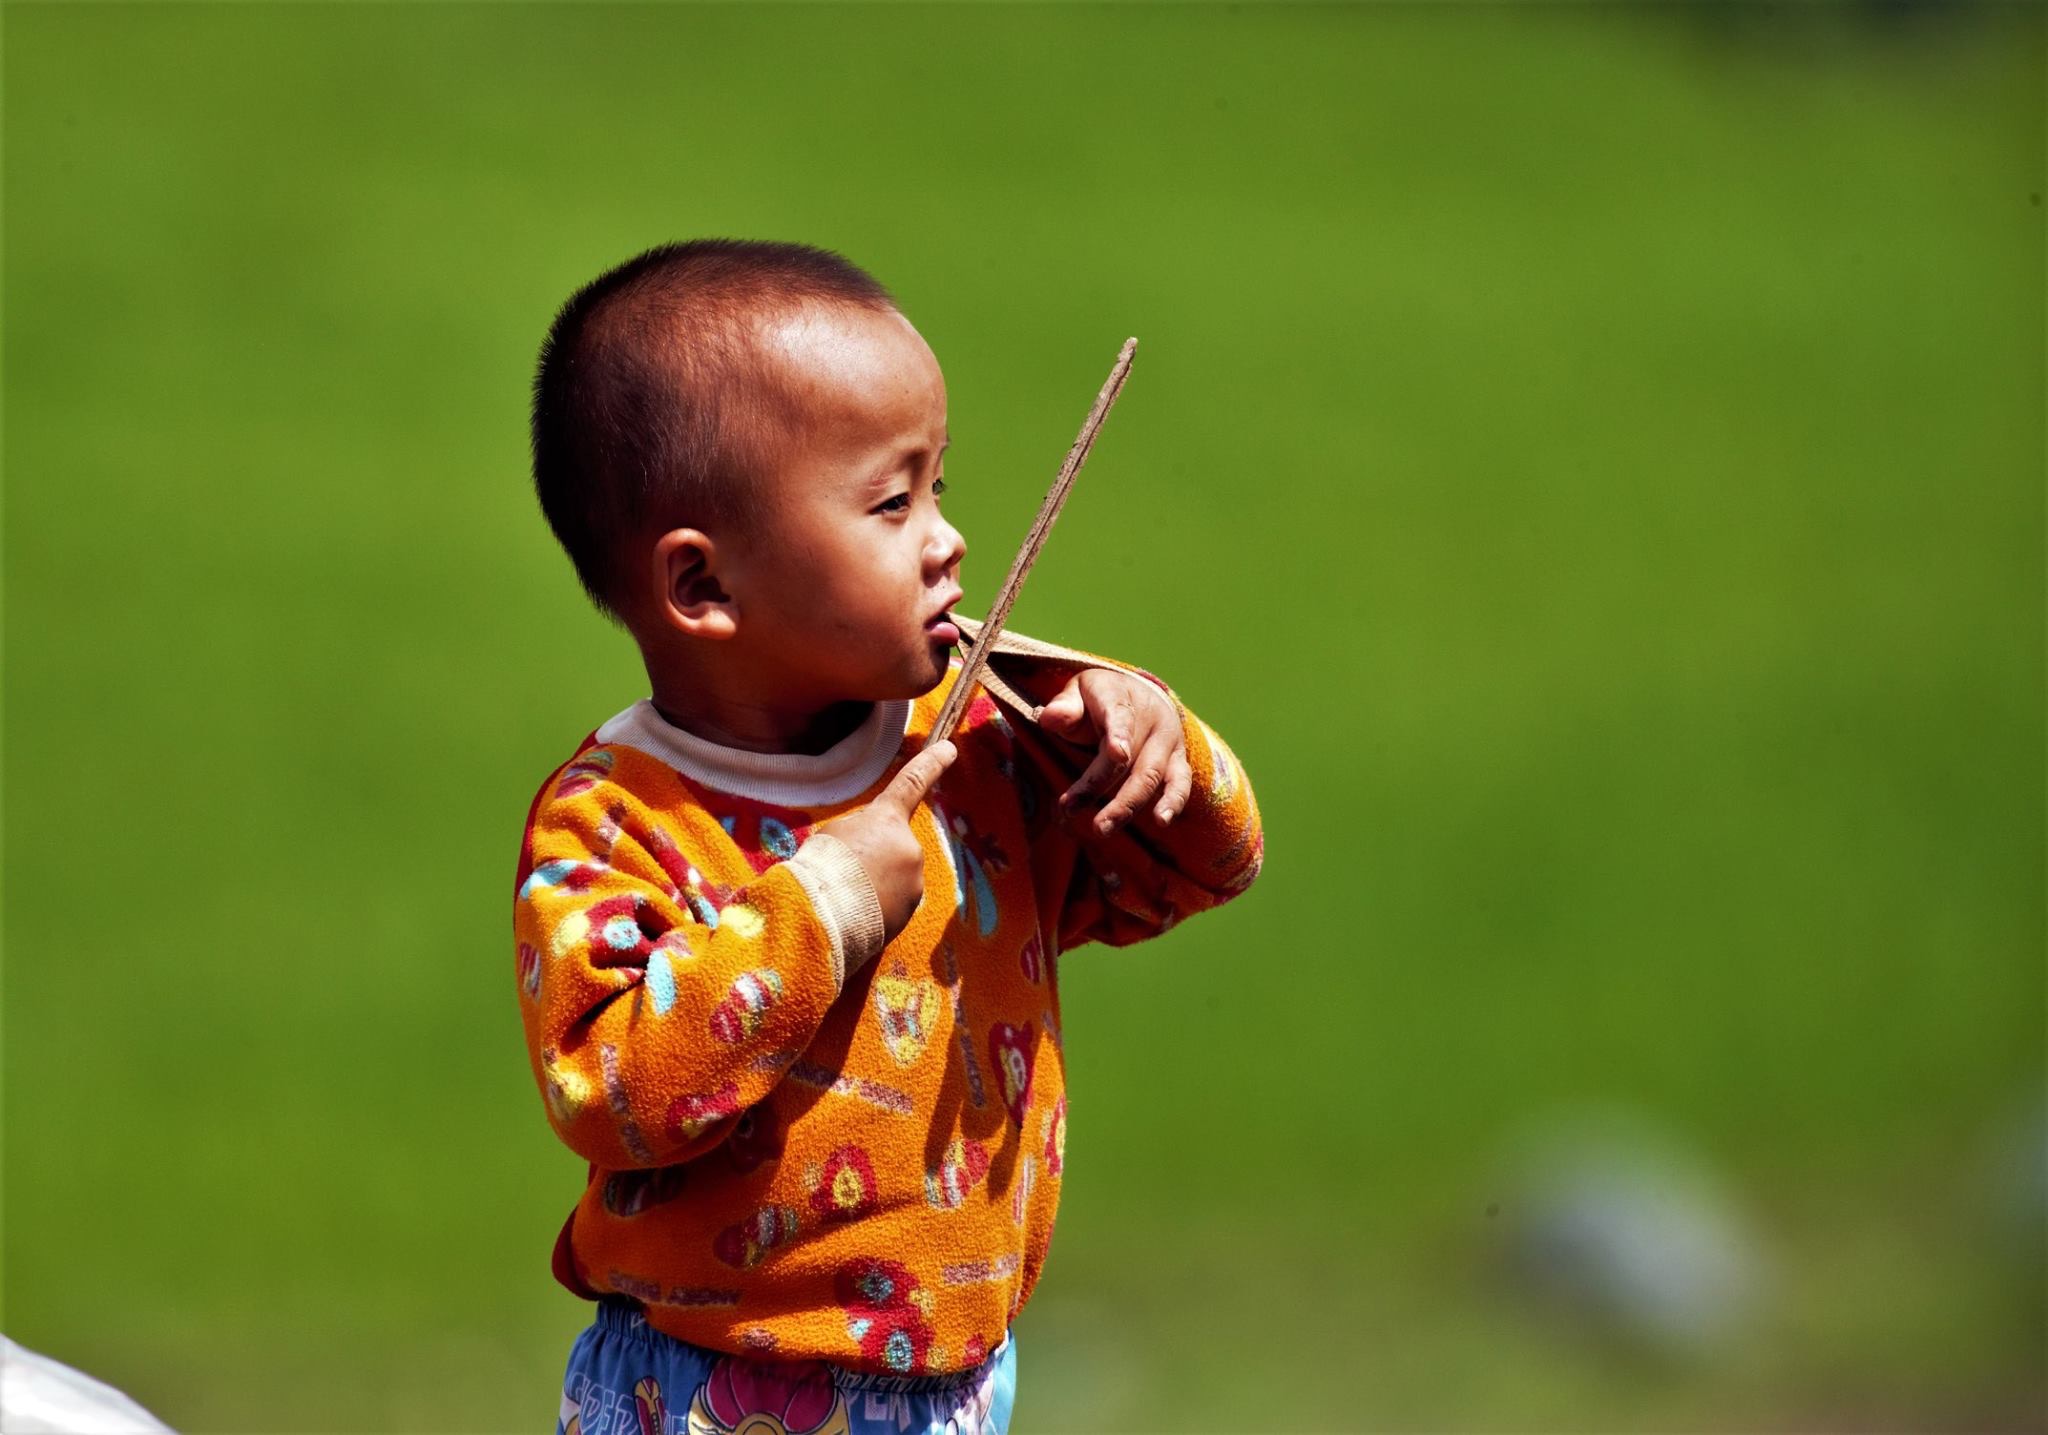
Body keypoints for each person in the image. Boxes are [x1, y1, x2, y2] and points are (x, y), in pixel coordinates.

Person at [515, 239, 1263, 1435]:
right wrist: (825, 904)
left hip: (958, 1387)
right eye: (889, 501)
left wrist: (1146, 732)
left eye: (940, 487)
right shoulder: (616, 819)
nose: (946, 540)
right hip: (711, 1395)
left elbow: (1192, 871)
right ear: (703, 589)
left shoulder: (975, 748)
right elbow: (612, 1091)